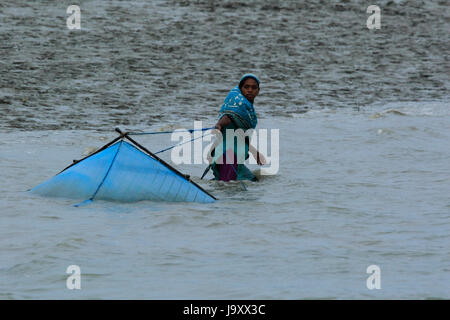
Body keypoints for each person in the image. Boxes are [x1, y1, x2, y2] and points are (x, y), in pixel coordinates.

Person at [208, 74, 266, 181]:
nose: (250, 90)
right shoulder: (235, 105)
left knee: (253, 180)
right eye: (246, 87)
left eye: (254, 88)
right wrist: (219, 125)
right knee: (227, 186)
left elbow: (240, 136)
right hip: (227, 155)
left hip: (236, 157)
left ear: (258, 91)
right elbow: (228, 117)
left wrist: (254, 152)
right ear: (240, 89)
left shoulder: (247, 110)